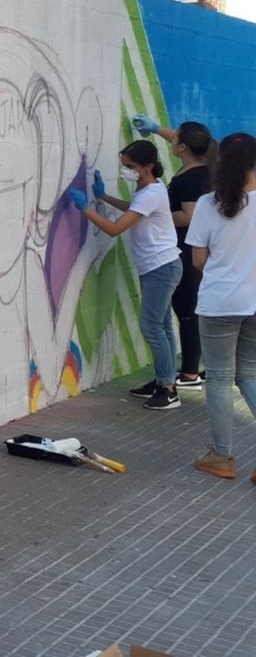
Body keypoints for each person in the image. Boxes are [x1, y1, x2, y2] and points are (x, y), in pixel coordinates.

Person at [67, 140, 183, 409]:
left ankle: (168, 389)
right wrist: (103, 196)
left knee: (152, 327)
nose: (126, 171)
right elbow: (133, 210)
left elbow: (115, 229)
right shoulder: (145, 190)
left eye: (130, 167)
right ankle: (163, 381)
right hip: (156, 267)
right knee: (162, 325)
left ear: (148, 167)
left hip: (161, 268)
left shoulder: (151, 193)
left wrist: (86, 209)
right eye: (124, 166)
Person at [184, 132, 256, 481]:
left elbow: (199, 261)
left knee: (220, 377)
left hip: (219, 302)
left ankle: (222, 455)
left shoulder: (207, 204)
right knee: (250, 374)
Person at [134, 115, 218, 387]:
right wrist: (155, 129)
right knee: (173, 315)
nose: (172, 138)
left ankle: (189, 372)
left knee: (185, 310)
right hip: (180, 245)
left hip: (183, 247)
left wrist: (154, 214)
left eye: (176, 137)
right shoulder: (200, 165)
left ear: (183, 147)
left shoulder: (192, 179)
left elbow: (190, 215)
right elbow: (181, 137)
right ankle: (169, 374)